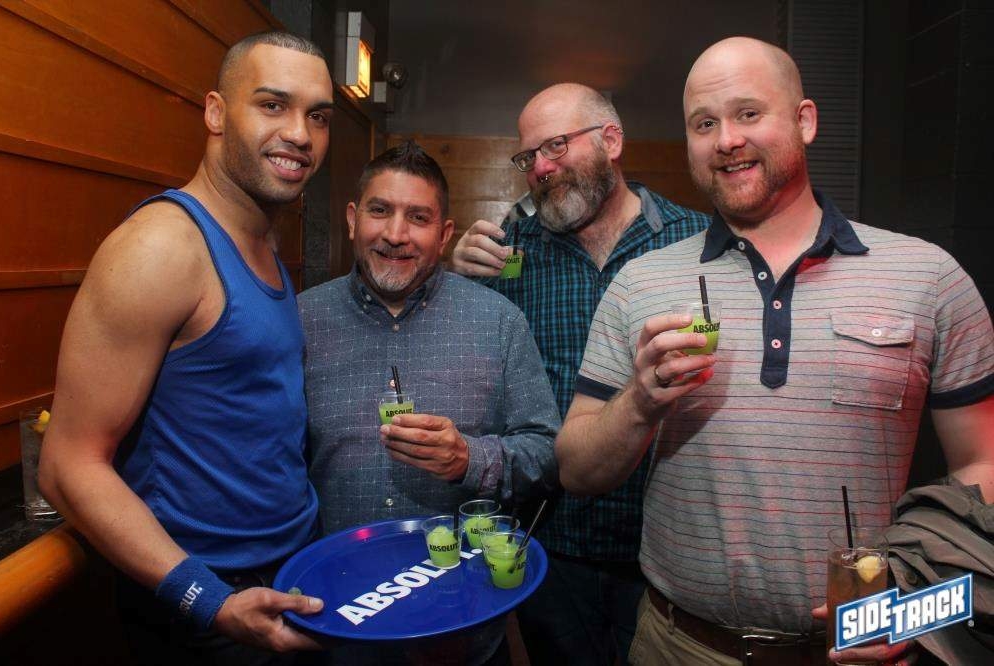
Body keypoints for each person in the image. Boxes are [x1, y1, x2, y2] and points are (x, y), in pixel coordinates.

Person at [556, 36, 994, 666]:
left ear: (804, 121)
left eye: (748, 113)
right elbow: (576, 471)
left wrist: (922, 614)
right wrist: (640, 402)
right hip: (678, 645)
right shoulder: (642, 282)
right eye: (704, 124)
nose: (726, 140)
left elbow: (984, 468)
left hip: (856, 652)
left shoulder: (928, 276)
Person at [39, 31, 335, 665]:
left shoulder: (263, 244)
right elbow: (67, 465)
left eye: (318, 116)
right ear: (216, 113)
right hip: (209, 608)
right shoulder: (161, 248)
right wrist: (209, 602)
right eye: (273, 105)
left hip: (287, 575)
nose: (300, 134)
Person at [449, 83, 709, 665]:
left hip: (666, 543)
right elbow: (467, 359)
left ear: (611, 140)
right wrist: (455, 277)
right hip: (552, 537)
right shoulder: (509, 252)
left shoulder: (695, 241)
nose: (540, 168)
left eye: (556, 146)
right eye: (528, 157)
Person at [299, 140, 559, 665]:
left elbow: (547, 452)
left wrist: (469, 459)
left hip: (463, 622)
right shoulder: (300, 321)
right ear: (352, 219)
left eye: (418, 217)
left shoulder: (499, 322)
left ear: (443, 234)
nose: (395, 234)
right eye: (379, 210)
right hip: (337, 620)